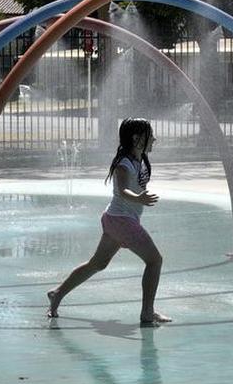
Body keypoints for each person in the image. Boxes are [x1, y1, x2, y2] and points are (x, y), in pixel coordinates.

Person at [46, 118, 170, 325]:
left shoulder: (140, 160)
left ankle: (57, 293)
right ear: (136, 139)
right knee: (154, 261)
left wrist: (139, 198)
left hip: (116, 220)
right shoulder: (124, 164)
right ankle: (147, 313)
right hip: (122, 221)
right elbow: (123, 190)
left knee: (98, 263)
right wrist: (138, 198)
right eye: (150, 135)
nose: (154, 139)